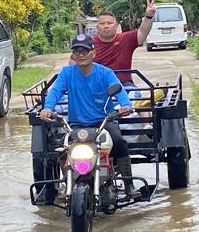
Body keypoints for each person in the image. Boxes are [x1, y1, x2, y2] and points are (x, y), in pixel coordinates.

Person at [40, 34, 140, 198]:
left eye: (85, 51)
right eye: (77, 51)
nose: (81, 54)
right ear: (73, 55)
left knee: (119, 142)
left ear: (93, 53)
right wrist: (47, 108)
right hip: (77, 124)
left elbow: (119, 90)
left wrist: (125, 106)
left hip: (104, 121)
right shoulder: (66, 73)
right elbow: (56, 91)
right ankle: (68, 183)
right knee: (62, 147)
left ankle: (129, 185)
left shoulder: (105, 73)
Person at [93, 0, 156, 85]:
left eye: (109, 23)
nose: (106, 26)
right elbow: (74, 63)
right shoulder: (89, 43)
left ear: (116, 25)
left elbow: (142, 32)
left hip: (124, 84)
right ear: (97, 27)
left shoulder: (126, 39)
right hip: (97, 86)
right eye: (102, 24)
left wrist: (149, 16)